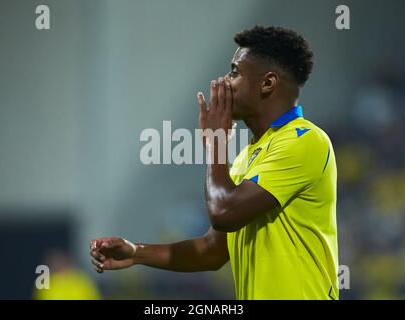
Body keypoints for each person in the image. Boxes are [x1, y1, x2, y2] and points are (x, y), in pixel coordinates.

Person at [90, 25, 339, 300]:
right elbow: (212, 250)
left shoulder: (305, 141)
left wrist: (214, 142)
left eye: (234, 72)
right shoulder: (248, 156)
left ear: (267, 83)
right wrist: (137, 253)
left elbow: (223, 213)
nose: (224, 81)